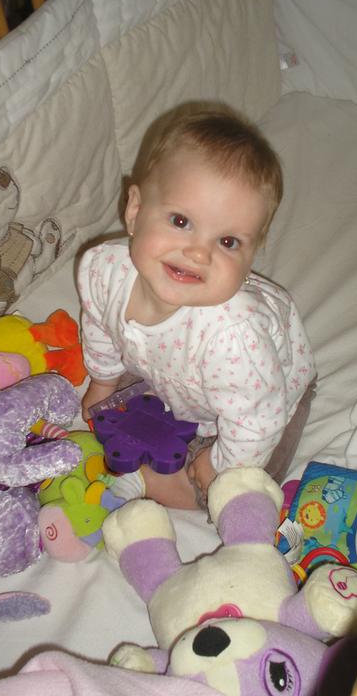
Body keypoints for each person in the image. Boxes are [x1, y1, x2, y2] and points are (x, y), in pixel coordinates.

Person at [78, 104, 316, 509]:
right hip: (174, 371)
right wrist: (102, 381)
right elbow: (99, 324)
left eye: (228, 242)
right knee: (120, 408)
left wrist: (219, 461)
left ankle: (156, 482)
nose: (198, 253)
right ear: (134, 211)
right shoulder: (102, 270)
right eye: (181, 221)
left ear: (251, 256)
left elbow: (258, 422)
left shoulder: (233, 337)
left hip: (268, 393)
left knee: (234, 488)